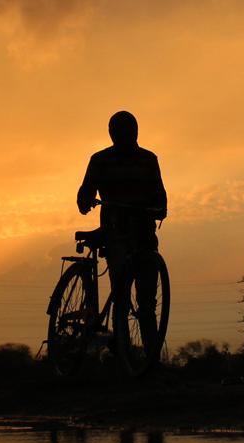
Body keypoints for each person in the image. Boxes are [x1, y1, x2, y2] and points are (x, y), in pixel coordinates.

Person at [77, 111, 167, 363]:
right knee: (125, 297)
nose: (124, 136)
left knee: (144, 302)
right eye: (120, 131)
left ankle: (148, 361)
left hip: (142, 236)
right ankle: (130, 358)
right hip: (117, 234)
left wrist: (160, 209)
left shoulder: (147, 160)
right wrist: (85, 202)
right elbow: (85, 194)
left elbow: (160, 197)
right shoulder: (101, 160)